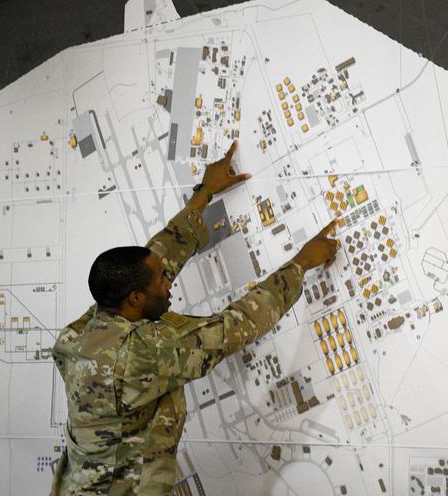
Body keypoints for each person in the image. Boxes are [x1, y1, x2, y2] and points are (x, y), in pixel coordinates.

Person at [50, 141, 338, 495]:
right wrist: (300, 265)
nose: (168, 281)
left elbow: (153, 260)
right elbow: (232, 327)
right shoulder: (142, 355)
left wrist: (203, 195)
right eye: (162, 281)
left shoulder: (83, 332)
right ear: (136, 298)